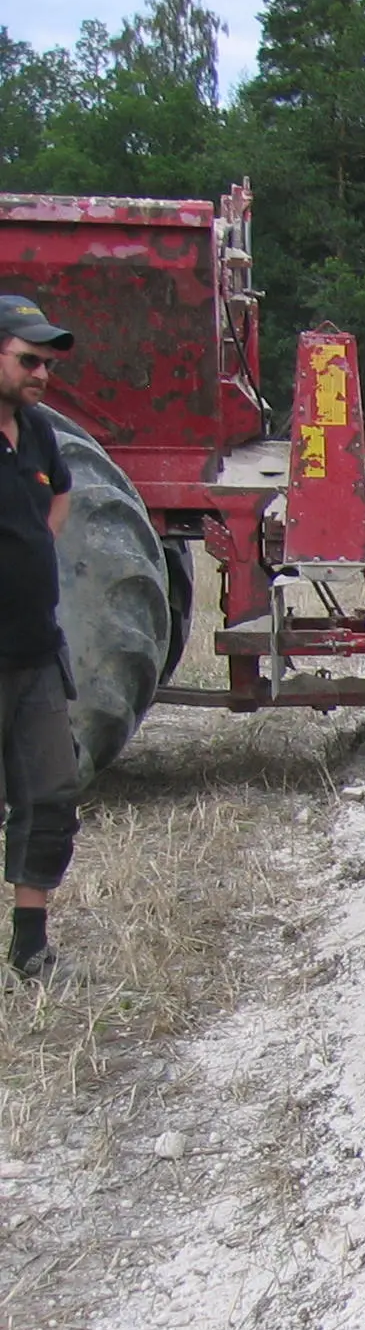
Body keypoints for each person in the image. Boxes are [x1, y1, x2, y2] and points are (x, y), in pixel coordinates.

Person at [0, 294, 81, 980]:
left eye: (47, 363)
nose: (41, 374)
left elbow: (62, 491)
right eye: (28, 360)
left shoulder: (36, 432)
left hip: (35, 651)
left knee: (52, 796)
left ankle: (30, 950)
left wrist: (37, 549)